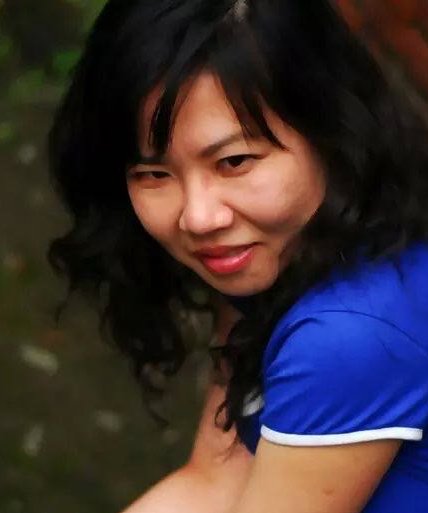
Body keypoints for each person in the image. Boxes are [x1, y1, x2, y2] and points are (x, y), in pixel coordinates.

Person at [48, 0, 428, 512]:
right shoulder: (287, 253)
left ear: (330, 132)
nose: (198, 218)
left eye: (233, 161)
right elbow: (212, 480)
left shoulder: (348, 335)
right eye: (154, 174)